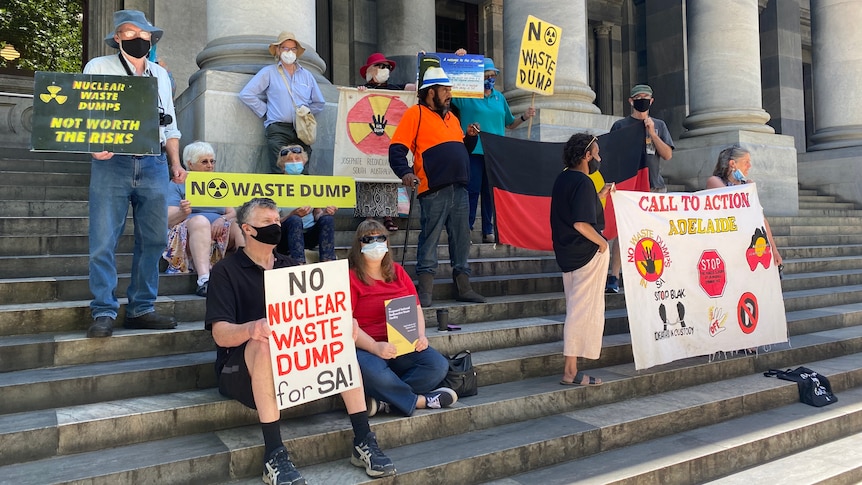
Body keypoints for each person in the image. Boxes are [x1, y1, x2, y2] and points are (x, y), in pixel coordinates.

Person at [205, 198, 395, 484]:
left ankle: (363, 438)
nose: (276, 226)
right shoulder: (225, 272)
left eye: (277, 220)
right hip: (241, 369)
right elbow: (220, 333)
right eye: (267, 222)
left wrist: (344, 323)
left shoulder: (292, 266)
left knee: (339, 335)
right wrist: (253, 328)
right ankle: (274, 454)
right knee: (264, 342)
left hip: (294, 363)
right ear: (248, 229)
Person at [84, 10, 186, 338]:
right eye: (128, 33)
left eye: (142, 33)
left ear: (151, 37)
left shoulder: (160, 75)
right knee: (103, 239)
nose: (137, 38)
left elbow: (170, 123)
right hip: (112, 161)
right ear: (117, 37)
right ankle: (103, 310)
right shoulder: (98, 67)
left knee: (154, 239)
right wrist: (93, 144)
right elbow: (87, 112)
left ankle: (142, 306)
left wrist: (176, 162)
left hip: (154, 161)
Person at [388, 61, 485, 307]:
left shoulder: (453, 118)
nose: (450, 95)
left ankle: (463, 287)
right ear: (430, 91)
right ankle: (426, 291)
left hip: (460, 188)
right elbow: (396, 150)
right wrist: (406, 173)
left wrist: (470, 139)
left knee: (462, 238)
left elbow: (460, 149)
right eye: (445, 90)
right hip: (432, 189)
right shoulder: (415, 114)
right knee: (429, 239)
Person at [348, 220, 456, 416]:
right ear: (359, 245)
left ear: (387, 242)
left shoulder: (397, 271)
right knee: (373, 374)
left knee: (437, 365)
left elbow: (415, 307)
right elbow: (347, 322)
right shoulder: (351, 277)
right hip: (366, 346)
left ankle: (386, 401)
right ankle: (420, 401)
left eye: (380, 238)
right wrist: (374, 346)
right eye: (368, 239)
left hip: (402, 342)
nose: (375, 243)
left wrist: (420, 335)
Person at [451, 53, 535, 243]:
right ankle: (468, 228)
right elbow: (448, 87)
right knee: (472, 191)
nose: (490, 79)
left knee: (490, 193)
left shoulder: (500, 98)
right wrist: (458, 60)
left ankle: (488, 230)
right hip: (473, 151)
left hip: (495, 154)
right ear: (477, 77)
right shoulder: (466, 96)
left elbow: (510, 124)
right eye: (486, 75)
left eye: (492, 75)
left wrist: (525, 117)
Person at [551, 134, 613, 387]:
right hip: (587, 254)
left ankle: (572, 368)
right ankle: (570, 371)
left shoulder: (563, 178)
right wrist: (602, 242)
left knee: (576, 309)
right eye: (596, 153)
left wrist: (599, 195)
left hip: (568, 254)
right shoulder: (583, 181)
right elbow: (580, 222)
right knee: (581, 312)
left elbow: (572, 211)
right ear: (586, 156)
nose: (598, 158)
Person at [605, 84, 674, 293]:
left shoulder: (660, 125)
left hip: (653, 186)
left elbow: (667, 154)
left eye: (646, 97)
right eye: (638, 97)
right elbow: (611, 156)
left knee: (655, 233)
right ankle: (613, 276)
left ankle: (653, 274)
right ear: (631, 101)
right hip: (628, 187)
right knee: (621, 233)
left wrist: (652, 133)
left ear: (652, 101)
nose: (642, 100)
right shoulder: (620, 125)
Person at [163, 141, 244, 297]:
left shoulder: (218, 182)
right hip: (189, 231)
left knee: (241, 225)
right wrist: (182, 211)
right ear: (190, 164)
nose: (210, 165)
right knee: (201, 222)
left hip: (220, 230)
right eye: (204, 162)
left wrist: (223, 219)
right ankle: (204, 280)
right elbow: (169, 219)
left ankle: (247, 274)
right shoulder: (178, 183)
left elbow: (232, 212)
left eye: (212, 161)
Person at [240, 31, 325, 174]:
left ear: (297, 52)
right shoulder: (269, 72)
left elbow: (319, 103)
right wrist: (265, 110)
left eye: (292, 49)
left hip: (302, 129)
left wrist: (306, 113)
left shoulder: (307, 76)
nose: (289, 52)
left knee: (302, 172)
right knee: (279, 171)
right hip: (278, 129)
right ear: (278, 51)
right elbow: (246, 94)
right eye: (285, 48)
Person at [354, 53, 413, 232]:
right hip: (368, 140)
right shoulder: (362, 89)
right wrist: (358, 94)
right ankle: (369, 217)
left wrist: (423, 65)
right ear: (371, 71)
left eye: (387, 67)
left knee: (388, 176)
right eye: (381, 66)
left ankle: (388, 216)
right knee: (368, 175)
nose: (385, 70)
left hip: (388, 140)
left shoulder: (396, 88)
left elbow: (415, 88)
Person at [706, 145, 783, 267]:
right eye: (746, 162)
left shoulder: (746, 185)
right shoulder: (715, 181)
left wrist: (774, 249)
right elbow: (731, 203)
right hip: (726, 242)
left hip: (745, 242)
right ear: (733, 164)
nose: (749, 166)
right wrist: (747, 189)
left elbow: (761, 219)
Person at [274, 144, 336, 264]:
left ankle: (328, 261)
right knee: (295, 220)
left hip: (308, 234)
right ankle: (299, 263)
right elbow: (272, 222)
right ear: (282, 165)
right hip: (285, 235)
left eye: (297, 159)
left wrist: (325, 213)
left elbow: (317, 213)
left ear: (303, 162)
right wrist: (292, 214)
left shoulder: (310, 183)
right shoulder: (275, 185)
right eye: (289, 160)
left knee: (327, 219)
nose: (294, 162)